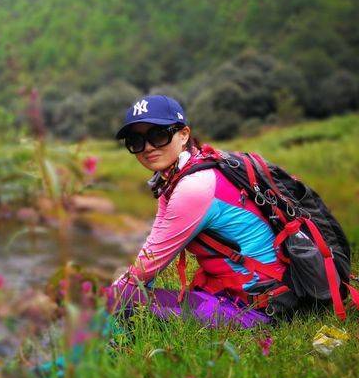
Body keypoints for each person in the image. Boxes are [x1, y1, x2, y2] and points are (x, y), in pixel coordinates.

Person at [108, 95, 276, 328]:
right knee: (121, 294)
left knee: (113, 299)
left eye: (158, 135)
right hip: (242, 294)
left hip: (257, 307)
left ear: (184, 134)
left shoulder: (194, 186)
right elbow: (152, 250)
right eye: (136, 141)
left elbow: (148, 265)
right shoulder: (177, 177)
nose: (147, 147)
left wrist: (112, 297)